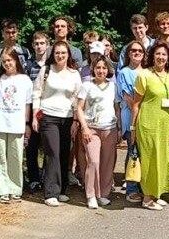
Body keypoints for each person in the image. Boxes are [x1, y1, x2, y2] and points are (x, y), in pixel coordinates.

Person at [131, 41, 169, 210]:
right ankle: (147, 198)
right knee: (150, 160)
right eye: (157, 54)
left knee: (166, 159)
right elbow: (136, 104)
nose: (160, 57)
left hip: (167, 126)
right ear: (152, 56)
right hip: (148, 125)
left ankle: (157, 193)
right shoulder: (144, 75)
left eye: (164, 54)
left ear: (168, 57)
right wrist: (132, 128)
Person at [32, 40, 82, 207]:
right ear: (52, 54)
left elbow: (77, 99)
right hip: (48, 117)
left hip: (67, 118)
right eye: (57, 53)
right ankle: (50, 192)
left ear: (68, 55)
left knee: (63, 153)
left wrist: (76, 120)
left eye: (63, 53)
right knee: (52, 152)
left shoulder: (74, 74)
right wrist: (34, 116)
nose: (60, 56)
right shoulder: (46, 71)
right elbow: (36, 94)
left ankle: (61, 191)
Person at [0, 48, 34, 203]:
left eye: (9, 60)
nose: (7, 64)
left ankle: (14, 188)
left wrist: (26, 124)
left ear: (16, 60)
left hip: (17, 125)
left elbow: (27, 104)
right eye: (4, 61)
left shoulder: (25, 80)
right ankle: (0, 189)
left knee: (15, 157)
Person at [75, 55, 118, 209]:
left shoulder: (114, 86)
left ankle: (103, 194)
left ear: (108, 70)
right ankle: (91, 194)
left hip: (110, 128)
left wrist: (118, 128)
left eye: (104, 68)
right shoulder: (86, 85)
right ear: (93, 69)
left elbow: (117, 107)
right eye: (98, 67)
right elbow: (79, 107)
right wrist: (84, 127)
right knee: (93, 161)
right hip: (91, 129)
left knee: (107, 163)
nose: (101, 70)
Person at [116, 39, 146, 202]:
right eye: (133, 51)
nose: (136, 53)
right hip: (130, 118)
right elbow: (128, 98)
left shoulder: (147, 72)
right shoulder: (123, 72)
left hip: (146, 119)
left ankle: (144, 186)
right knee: (132, 152)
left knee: (144, 154)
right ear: (128, 54)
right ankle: (132, 188)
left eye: (140, 51)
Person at [25, 31, 49, 191]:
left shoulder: (52, 65)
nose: (39, 46)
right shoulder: (27, 65)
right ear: (33, 46)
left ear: (47, 45)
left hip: (48, 110)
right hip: (32, 109)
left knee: (48, 146)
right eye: (37, 43)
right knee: (32, 146)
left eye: (42, 43)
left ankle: (47, 177)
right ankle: (33, 178)